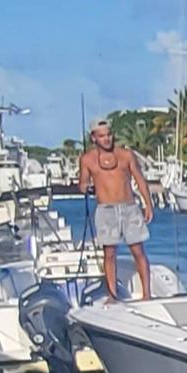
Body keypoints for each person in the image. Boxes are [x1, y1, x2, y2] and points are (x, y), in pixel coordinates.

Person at [77, 118, 155, 300]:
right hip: (106, 210)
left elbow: (140, 179)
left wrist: (148, 204)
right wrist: (86, 187)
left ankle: (147, 294)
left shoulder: (126, 155)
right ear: (94, 138)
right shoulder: (87, 159)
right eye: (101, 136)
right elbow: (82, 183)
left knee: (138, 251)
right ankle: (112, 295)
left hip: (129, 207)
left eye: (109, 134)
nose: (106, 139)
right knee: (109, 254)